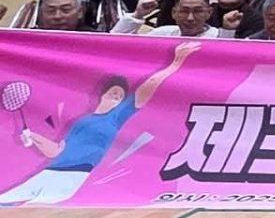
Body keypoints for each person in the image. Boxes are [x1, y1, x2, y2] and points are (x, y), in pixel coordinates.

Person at [0, 41, 199, 205]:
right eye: (113, 93)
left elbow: (151, 85)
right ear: (101, 95)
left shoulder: (117, 117)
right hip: (49, 173)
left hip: (70, 178)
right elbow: (56, 152)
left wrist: (175, 64)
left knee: (20, 211)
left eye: (120, 96)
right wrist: (33, 137)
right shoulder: (81, 121)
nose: (116, 97)